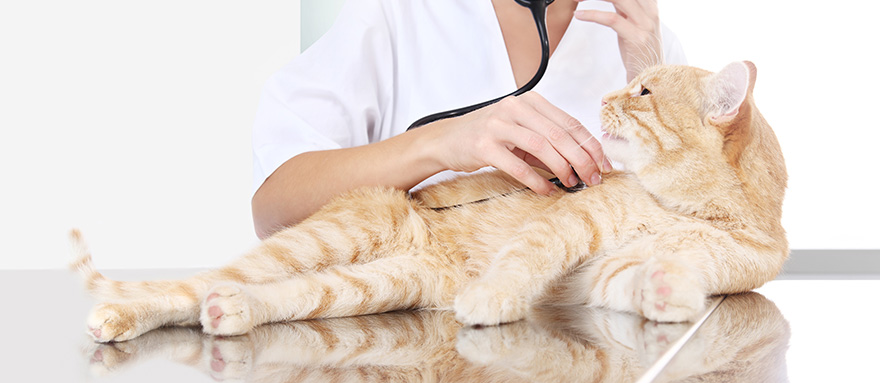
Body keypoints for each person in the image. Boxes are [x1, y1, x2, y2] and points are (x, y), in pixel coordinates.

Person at [250, 0, 686, 239]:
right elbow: (274, 209)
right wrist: (438, 144)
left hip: (585, 357)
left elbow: (696, 225)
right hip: (404, 356)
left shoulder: (647, 41)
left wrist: (650, 81)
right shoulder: (396, 11)